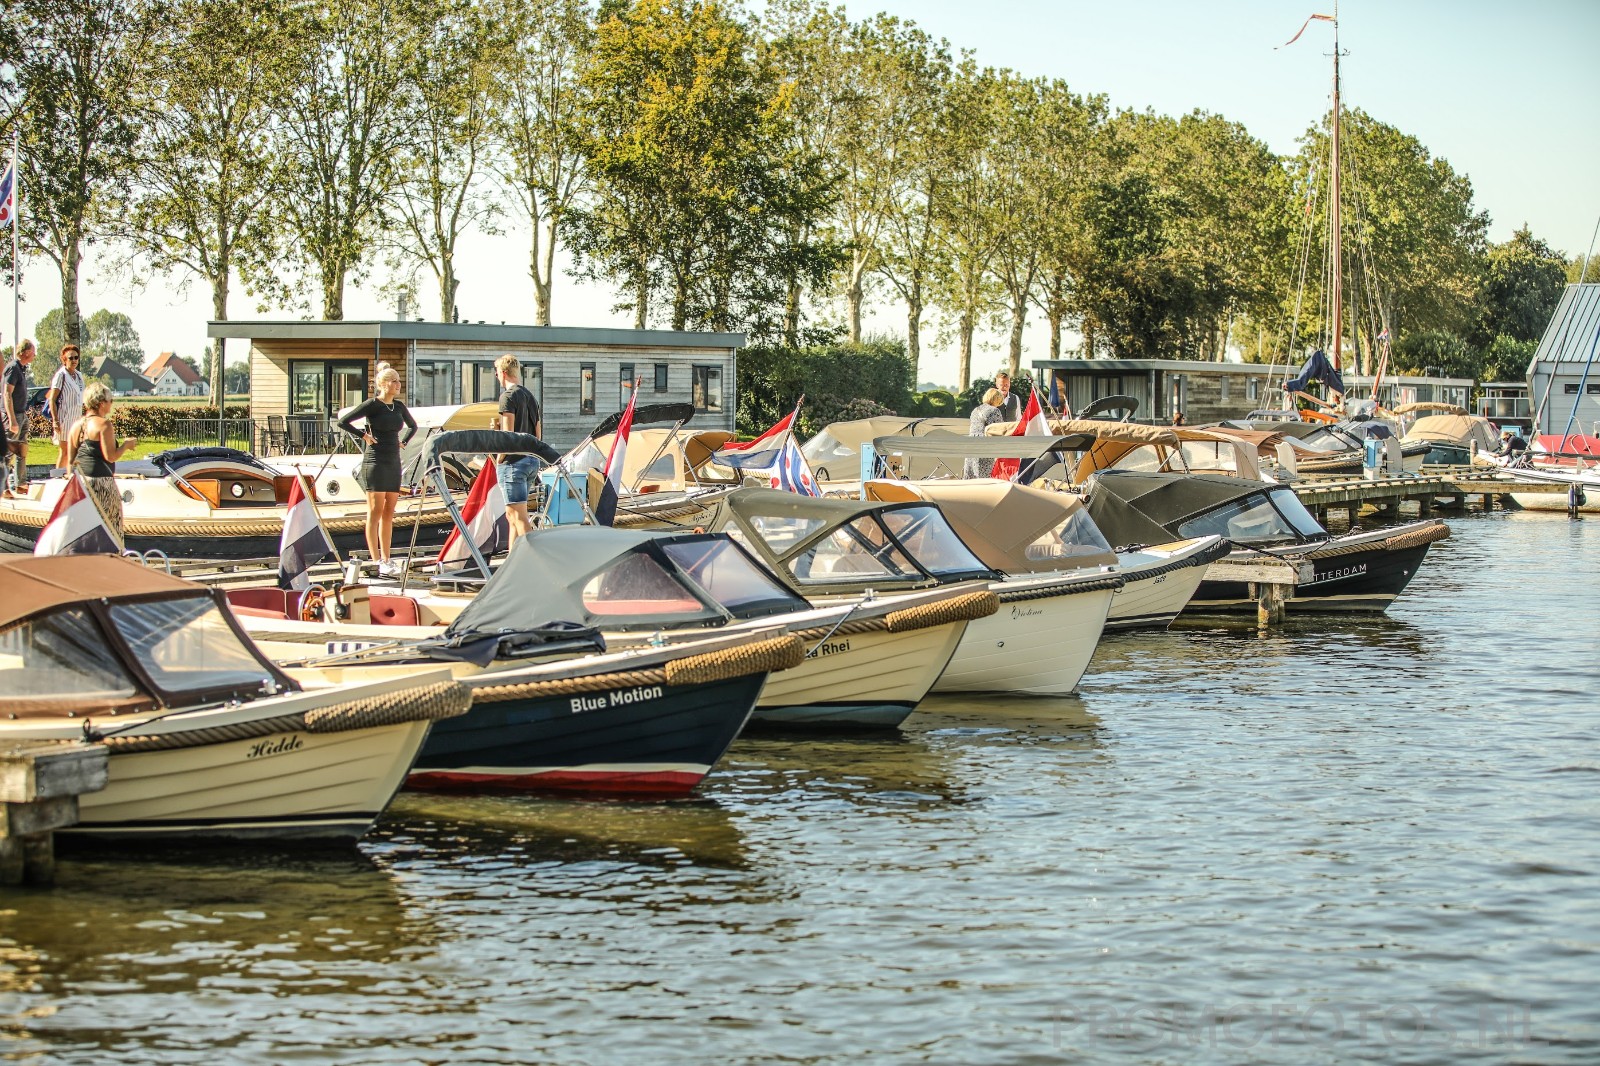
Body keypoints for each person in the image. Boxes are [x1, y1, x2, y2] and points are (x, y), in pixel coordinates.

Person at [335, 362, 417, 576]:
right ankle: (376, 559)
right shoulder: (373, 404)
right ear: (383, 384)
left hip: (393, 460)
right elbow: (343, 421)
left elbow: (413, 426)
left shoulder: (398, 407)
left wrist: (404, 442)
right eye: (394, 381)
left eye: (399, 381)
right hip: (375, 461)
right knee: (375, 511)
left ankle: (387, 559)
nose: (398, 384)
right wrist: (364, 436)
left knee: (389, 512)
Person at [65, 381, 137, 549]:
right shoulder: (104, 425)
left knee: (86, 527)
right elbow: (111, 457)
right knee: (110, 527)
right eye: (110, 400)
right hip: (101, 483)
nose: (112, 403)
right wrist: (126, 445)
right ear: (101, 403)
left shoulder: (77, 426)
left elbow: (70, 459)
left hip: (81, 484)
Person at [493, 353, 543, 546]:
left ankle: (534, 561)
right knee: (511, 516)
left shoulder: (507, 397)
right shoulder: (530, 397)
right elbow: (538, 433)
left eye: (497, 372)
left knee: (520, 517)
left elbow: (508, 435)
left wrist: (499, 459)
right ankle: (512, 562)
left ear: (504, 373)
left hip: (513, 463)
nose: (497, 376)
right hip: (532, 460)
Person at [2, 339, 36, 499]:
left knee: (22, 450)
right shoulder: (13, 368)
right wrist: (12, 419)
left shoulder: (21, 369)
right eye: (33, 351)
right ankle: (3, 487)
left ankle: (20, 484)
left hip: (21, 414)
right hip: (13, 415)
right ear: (26, 352)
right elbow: (7, 393)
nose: (35, 355)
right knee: (8, 452)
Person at [47, 343, 86, 473]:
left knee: (74, 452)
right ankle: (58, 476)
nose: (74, 360)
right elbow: (52, 399)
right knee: (64, 451)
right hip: (64, 418)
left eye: (76, 357)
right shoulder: (61, 375)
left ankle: (69, 475)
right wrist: (55, 421)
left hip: (77, 419)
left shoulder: (79, 376)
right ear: (64, 359)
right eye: (71, 358)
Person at [964, 387, 1005, 478]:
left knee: (971, 474)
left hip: (970, 445)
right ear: (997, 399)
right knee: (983, 476)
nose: (999, 405)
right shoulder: (994, 410)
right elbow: (1000, 430)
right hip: (984, 445)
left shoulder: (975, 410)